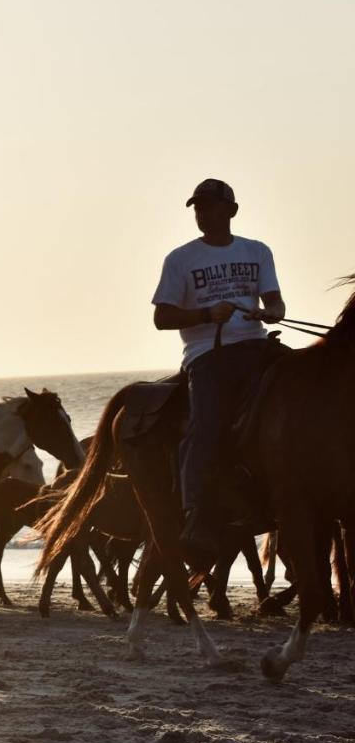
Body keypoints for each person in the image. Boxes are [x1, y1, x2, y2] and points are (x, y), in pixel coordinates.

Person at [151, 178, 284, 566]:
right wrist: (207, 314)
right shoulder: (180, 259)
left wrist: (270, 312)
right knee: (205, 424)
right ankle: (195, 513)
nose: (202, 213)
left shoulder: (257, 251)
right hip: (208, 352)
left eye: (209, 206)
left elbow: (275, 302)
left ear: (231, 211)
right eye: (198, 207)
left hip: (256, 343)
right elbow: (162, 317)